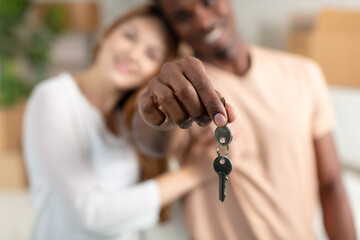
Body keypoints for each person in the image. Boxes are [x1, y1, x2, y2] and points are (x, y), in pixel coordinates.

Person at [130, 0, 357, 239]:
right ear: (173, 27)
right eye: (183, 16)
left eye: (208, 2)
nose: (204, 22)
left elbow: (331, 183)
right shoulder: (180, 90)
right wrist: (157, 115)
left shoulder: (304, 73)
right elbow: (150, 142)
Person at [23, 5, 214, 240]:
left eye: (151, 54)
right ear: (106, 35)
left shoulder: (127, 119)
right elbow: (88, 213)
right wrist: (193, 173)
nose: (134, 55)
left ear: (155, 73)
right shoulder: (53, 97)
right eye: (129, 36)